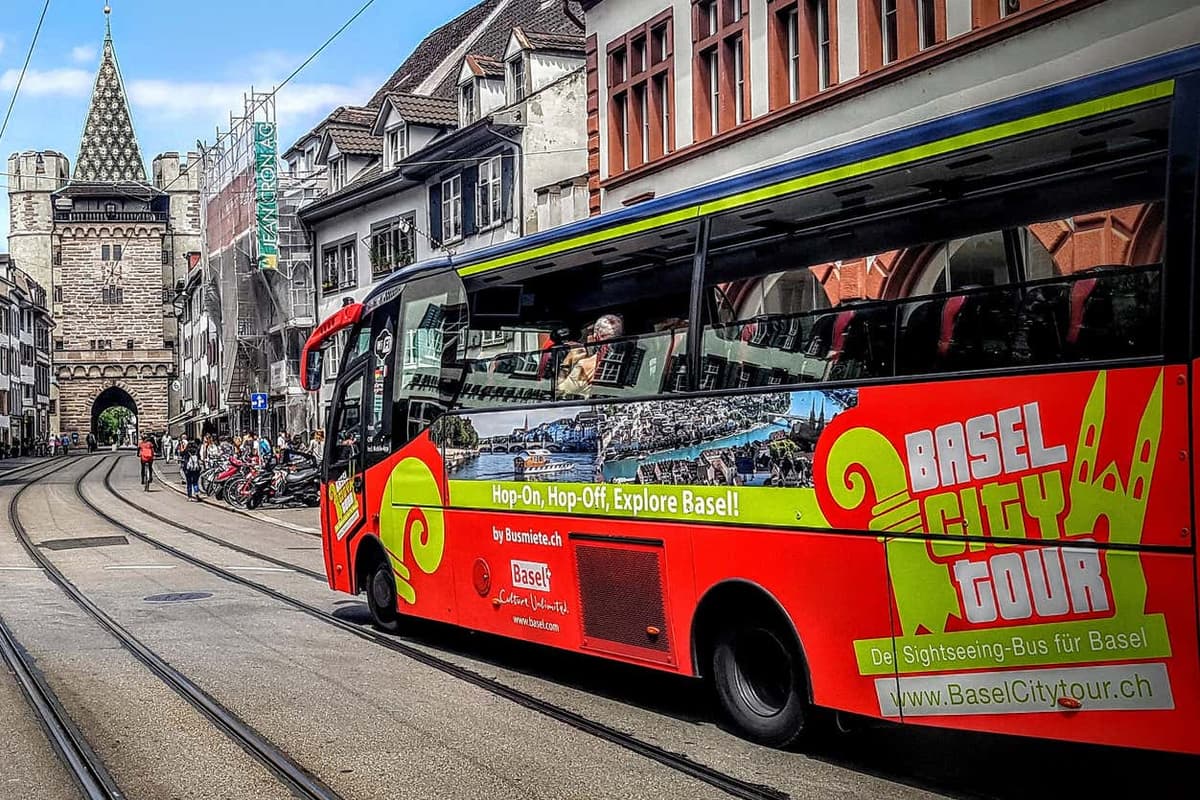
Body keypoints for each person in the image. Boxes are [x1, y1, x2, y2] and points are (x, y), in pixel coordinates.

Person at [557, 313, 624, 398]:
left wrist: (566, 363)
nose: (587, 338)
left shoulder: (585, 364)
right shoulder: (629, 358)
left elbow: (562, 390)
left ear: (596, 336)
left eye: (590, 333)